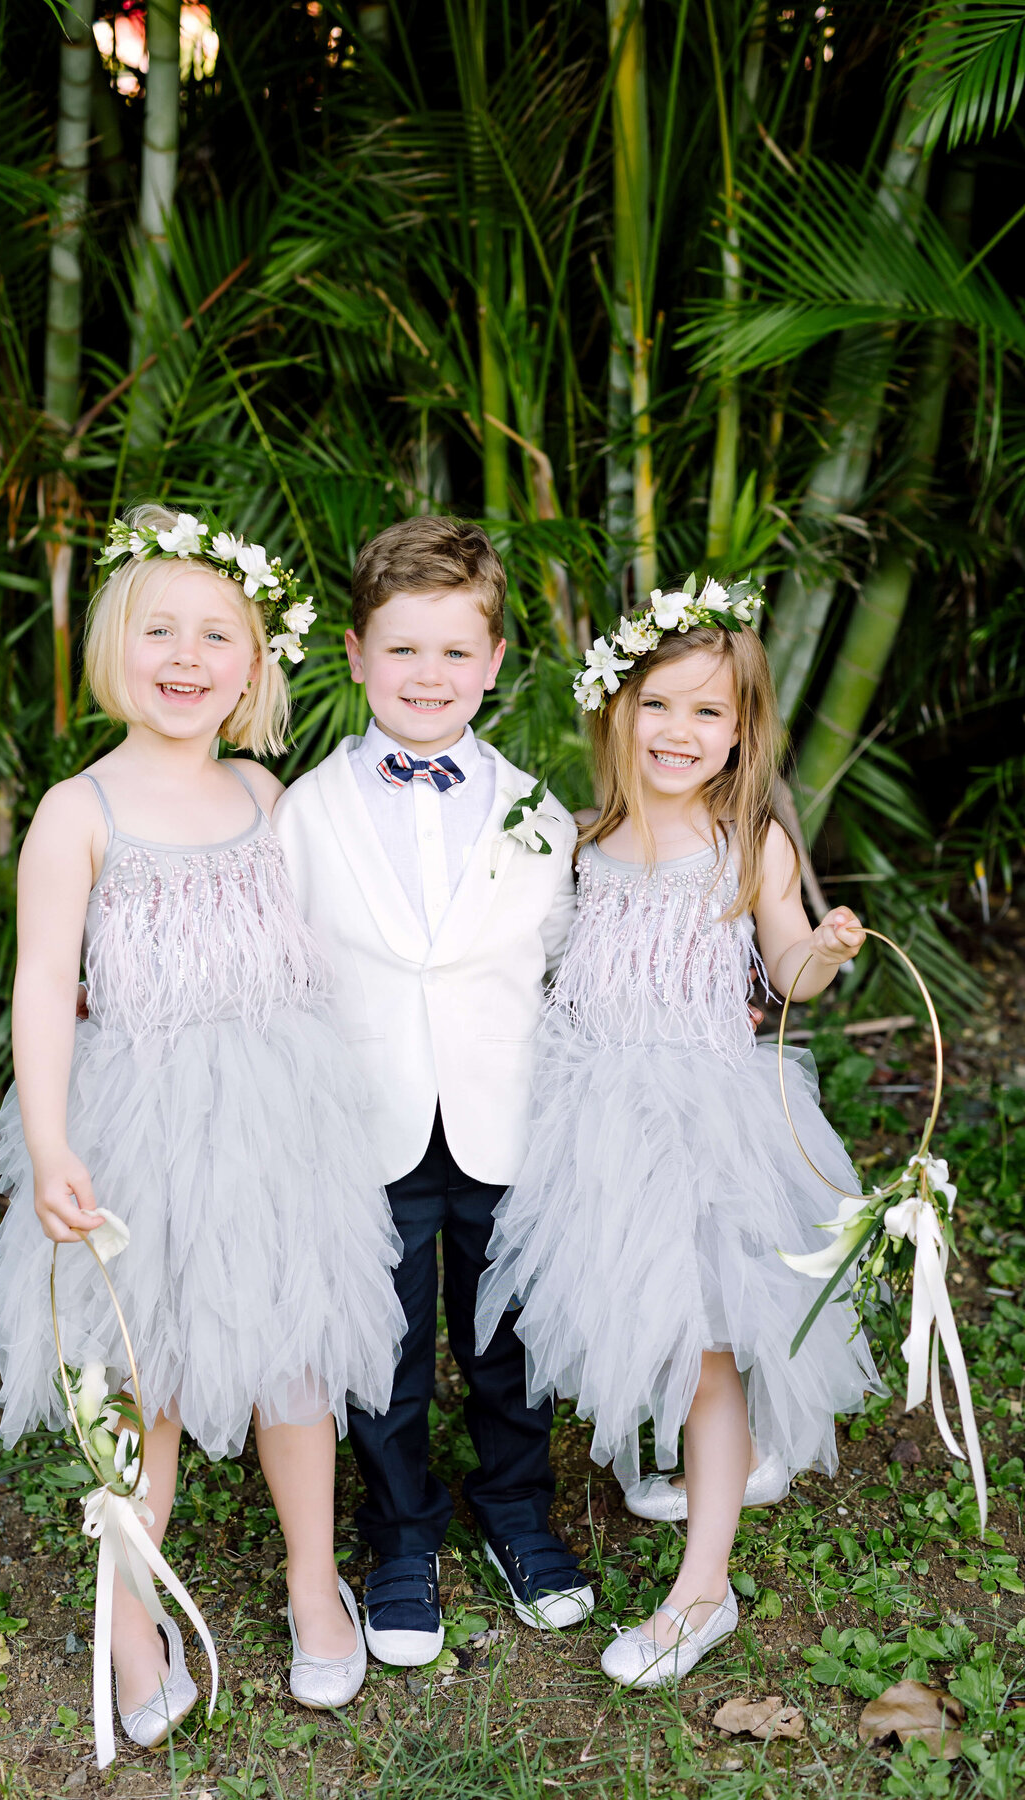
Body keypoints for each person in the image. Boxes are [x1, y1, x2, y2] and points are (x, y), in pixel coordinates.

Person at [0, 504, 404, 1741]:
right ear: (117, 644)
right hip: (141, 1126)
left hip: (274, 1116)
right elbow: (46, 986)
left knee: (295, 1361)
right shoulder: (79, 811)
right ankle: (129, 1609)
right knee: (148, 1374)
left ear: (255, 661)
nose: (185, 654)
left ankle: (313, 1582)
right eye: (160, 628)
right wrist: (54, 1144)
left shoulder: (266, 794)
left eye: (217, 634)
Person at [476, 580, 879, 1689]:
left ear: (741, 732)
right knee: (638, 1312)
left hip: (706, 1116)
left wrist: (829, 948)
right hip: (591, 1120)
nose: (681, 733)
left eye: (710, 714)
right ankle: (705, 1459)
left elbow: (787, 970)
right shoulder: (578, 842)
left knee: (706, 1336)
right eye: (661, 705)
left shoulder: (748, 846)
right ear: (617, 708)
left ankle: (705, 1586)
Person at [275, 515, 596, 1667]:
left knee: (509, 1339)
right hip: (366, 1129)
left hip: (507, 1121)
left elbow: (565, 964)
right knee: (388, 1345)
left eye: (455, 652)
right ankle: (400, 1533)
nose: (429, 675)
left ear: (495, 663)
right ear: (356, 656)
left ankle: (518, 1512)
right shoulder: (300, 814)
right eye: (403, 650)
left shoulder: (539, 812)